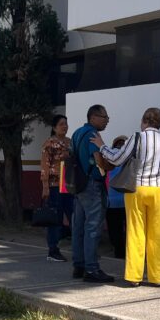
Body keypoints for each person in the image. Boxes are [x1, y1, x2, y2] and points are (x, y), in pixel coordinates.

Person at [93, 107, 160, 286]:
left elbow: (117, 159)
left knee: (135, 231)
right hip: (158, 190)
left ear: (144, 120)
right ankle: (159, 277)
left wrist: (102, 146)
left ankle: (134, 276)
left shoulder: (137, 137)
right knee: (158, 233)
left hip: (137, 188)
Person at [71, 105, 115, 283]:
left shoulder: (77, 133)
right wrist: (110, 165)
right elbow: (99, 160)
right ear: (93, 117)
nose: (107, 121)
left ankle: (79, 265)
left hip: (78, 184)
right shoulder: (92, 135)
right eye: (105, 117)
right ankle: (92, 269)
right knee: (93, 227)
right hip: (92, 184)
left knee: (79, 227)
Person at [40, 114, 74, 262]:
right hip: (55, 186)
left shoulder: (70, 142)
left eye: (66, 124)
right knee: (55, 218)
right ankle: (53, 250)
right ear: (54, 128)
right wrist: (45, 186)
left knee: (74, 215)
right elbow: (45, 166)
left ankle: (81, 248)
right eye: (61, 124)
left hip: (69, 185)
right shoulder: (49, 144)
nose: (64, 126)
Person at [104, 136, 128, 259]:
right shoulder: (129, 157)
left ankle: (118, 252)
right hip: (127, 200)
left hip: (111, 201)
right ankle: (129, 251)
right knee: (130, 228)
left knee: (114, 229)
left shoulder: (108, 157)